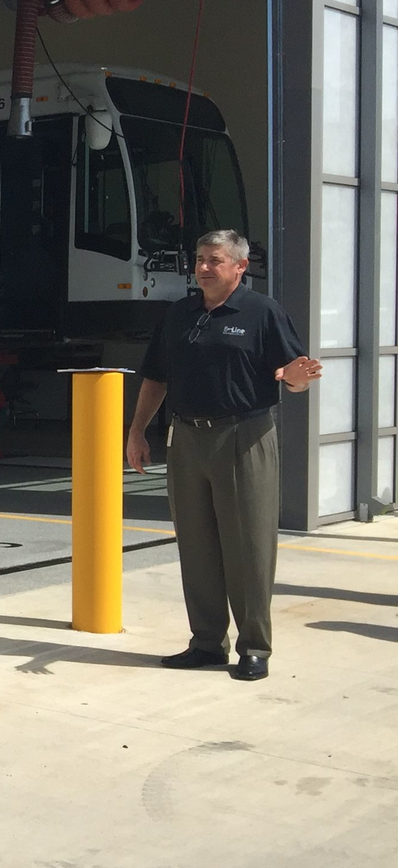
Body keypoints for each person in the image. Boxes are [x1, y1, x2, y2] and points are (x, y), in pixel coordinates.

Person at [127, 230, 322, 681]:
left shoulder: (262, 312)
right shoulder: (180, 314)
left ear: (239, 266)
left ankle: (254, 647)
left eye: (214, 260)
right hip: (187, 438)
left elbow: (293, 375)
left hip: (243, 436)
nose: (203, 267)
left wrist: (296, 378)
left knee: (247, 545)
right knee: (196, 545)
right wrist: (137, 431)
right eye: (199, 259)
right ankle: (206, 642)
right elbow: (156, 376)